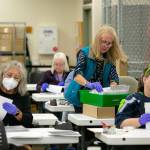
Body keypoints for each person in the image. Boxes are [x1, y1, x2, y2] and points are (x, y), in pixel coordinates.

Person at [64, 25, 127, 111]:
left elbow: (114, 76)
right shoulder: (84, 53)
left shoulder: (110, 57)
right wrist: (89, 84)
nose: (106, 46)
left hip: (99, 97)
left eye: (109, 43)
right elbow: (77, 75)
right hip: (81, 95)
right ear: (97, 40)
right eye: (103, 42)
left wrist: (113, 86)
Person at [114, 65, 150, 150]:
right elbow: (119, 122)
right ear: (145, 80)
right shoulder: (133, 99)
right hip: (136, 144)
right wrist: (139, 121)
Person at [0, 60, 33, 150]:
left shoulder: (23, 95)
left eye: (16, 77)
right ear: (2, 74)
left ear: (20, 81)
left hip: (16, 135)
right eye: (9, 75)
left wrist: (17, 112)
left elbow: (28, 120)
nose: (11, 79)